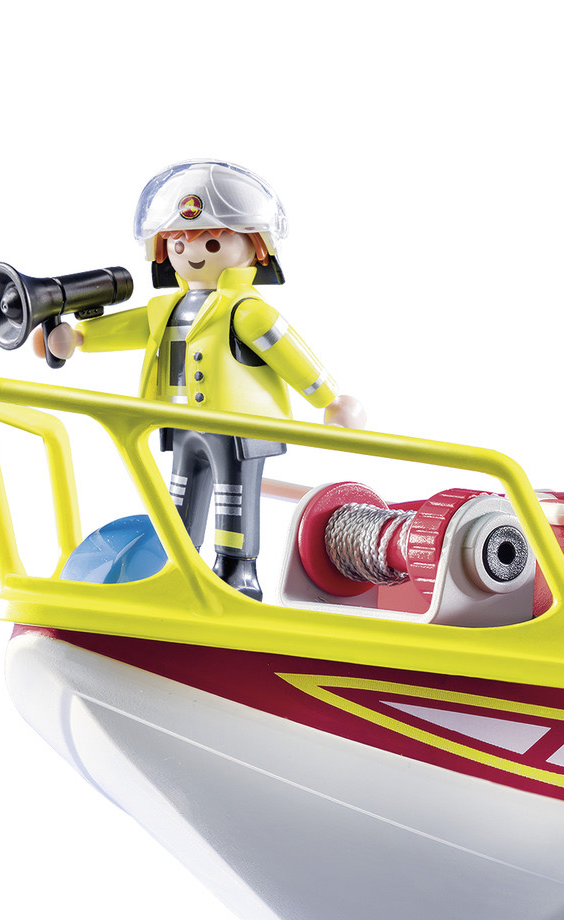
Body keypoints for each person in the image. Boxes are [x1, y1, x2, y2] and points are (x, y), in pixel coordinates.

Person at [42, 160, 362, 599]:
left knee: (234, 497)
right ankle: (179, 565)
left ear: (256, 248)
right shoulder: (167, 309)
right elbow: (124, 328)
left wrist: (328, 399)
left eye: (212, 242)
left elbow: (290, 354)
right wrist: (78, 337)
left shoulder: (247, 311)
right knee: (180, 495)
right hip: (180, 422)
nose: (192, 253)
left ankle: (236, 572)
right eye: (178, 242)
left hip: (238, 426)